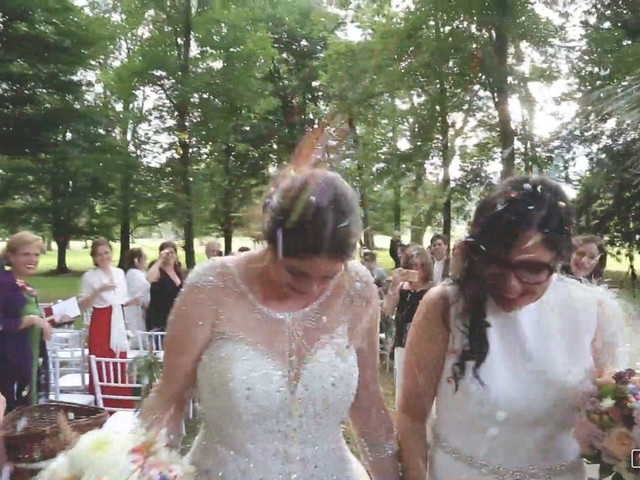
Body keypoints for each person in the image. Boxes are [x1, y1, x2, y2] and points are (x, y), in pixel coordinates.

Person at [141, 161, 400, 479]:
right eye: (296, 271)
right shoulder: (210, 287)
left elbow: (369, 407)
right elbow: (169, 400)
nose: (312, 288)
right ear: (270, 241)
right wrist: (145, 467)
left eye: (330, 277)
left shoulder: (358, 290)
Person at [397, 176, 624, 480]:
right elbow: (412, 416)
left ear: (559, 259)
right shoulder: (447, 306)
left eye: (531, 268)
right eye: (495, 262)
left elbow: (616, 412)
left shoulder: (594, 311)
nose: (509, 284)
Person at [0, 232, 54, 411]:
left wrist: (47, 321)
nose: (33, 259)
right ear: (11, 256)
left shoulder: (24, 285)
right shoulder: (4, 284)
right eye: (26, 254)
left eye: (36, 254)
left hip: (28, 364)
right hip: (8, 367)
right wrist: (32, 320)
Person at [79, 238, 134, 408]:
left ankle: (121, 402)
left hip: (117, 320)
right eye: (99, 254)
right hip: (101, 321)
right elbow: (83, 305)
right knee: (102, 361)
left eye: (106, 253)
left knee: (119, 359)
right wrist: (98, 291)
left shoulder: (119, 273)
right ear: (94, 258)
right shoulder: (90, 276)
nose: (104, 257)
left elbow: (122, 298)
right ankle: (103, 403)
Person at [382, 244, 434, 405]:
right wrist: (394, 286)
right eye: (412, 266)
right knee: (402, 395)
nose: (416, 270)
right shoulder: (401, 289)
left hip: (425, 349)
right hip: (402, 345)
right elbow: (388, 309)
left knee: (423, 397)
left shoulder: (433, 291)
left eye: (420, 266)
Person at [146, 241, 184, 331]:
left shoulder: (177, 270)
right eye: (167, 253)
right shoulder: (157, 269)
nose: (170, 256)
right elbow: (150, 278)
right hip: (160, 316)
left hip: (175, 315)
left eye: (172, 253)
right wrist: (160, 260)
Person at [123, 248, 150, 348]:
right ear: (136, 260)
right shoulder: (134, 274)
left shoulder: (140, 273)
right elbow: (144, 289)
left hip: (139, 310)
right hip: (135, 311)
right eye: (144, 259)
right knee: (137, 336)